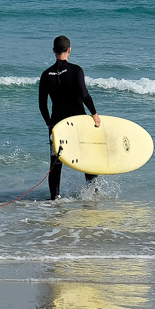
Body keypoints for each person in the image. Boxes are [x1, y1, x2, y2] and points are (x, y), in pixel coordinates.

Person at [39, 35, 101, 200]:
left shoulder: (45, 75)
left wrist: (49, 124)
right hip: (78, 123)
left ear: (53, 51)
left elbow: (42, 105)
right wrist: (94, 114)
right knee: (87, 157)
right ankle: (92, 194)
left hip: (58, 124)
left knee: (55, 162)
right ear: (69, 50)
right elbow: (84, 94)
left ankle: (55, 198)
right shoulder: (76, 70)